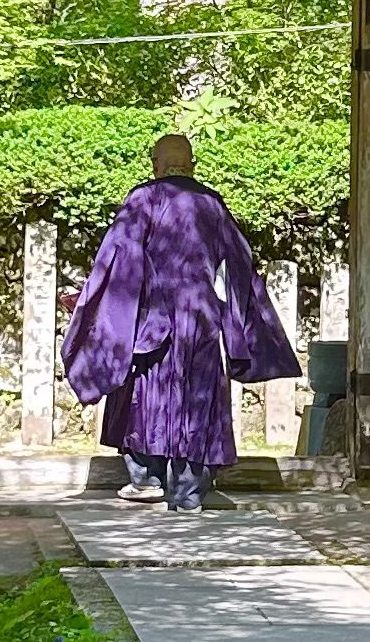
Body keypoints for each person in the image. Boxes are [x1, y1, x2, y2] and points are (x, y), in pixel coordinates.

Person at [60, 132, 302, 511]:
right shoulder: (212, 204)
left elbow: (117, 260)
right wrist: (243, 328)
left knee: (143, 395)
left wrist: (94, 301)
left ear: (155, 165)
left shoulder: (143, 199)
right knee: (198, 399)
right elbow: (240, 267)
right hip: (201, 319)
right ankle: (189, 493)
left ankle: (147, 479)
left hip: (151, 321)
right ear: (192, 165)